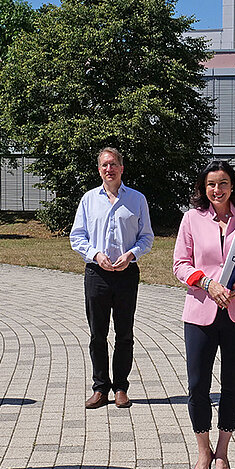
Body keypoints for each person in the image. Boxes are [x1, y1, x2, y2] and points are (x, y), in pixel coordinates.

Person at [173, 160, 235, 469]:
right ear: (203, 188)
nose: (217, 189)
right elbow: (180, 265)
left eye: (224, 183)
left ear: (233, 186)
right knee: (198, 385)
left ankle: (223, 451)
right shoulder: (191, 218)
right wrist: (206, 283)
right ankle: (203, 450)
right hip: (201, 312)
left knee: (232, 384)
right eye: (211, 184)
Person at [70, 147, 154, 410]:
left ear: (121, 168)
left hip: (126, 273)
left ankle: (120, 387)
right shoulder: (88, 199)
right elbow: (77, 237)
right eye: (105, 165)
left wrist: (131, 254)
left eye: (114, 164)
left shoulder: (137, 199)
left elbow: (147, 237)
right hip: (97, 274)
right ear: (99, 169)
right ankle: (100, 388)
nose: (109, 169)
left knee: (124, 333)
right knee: (97, 334)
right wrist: (95, 254)